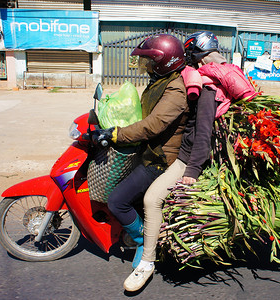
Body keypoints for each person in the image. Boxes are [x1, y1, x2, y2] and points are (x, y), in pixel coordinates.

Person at [123, 31, 256, 292]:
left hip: (188, 158)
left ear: (194, 55)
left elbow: (203, 132)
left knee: (152, 199)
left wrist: (192, 170)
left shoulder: (207, 86)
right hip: (184, 152)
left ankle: (147, 263)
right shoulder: (202, 78)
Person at [94, 34, 189, 288]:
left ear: (163, 62)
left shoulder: (175, 90)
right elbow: (141, 113)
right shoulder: (160, 81)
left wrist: (117, 133)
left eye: (148, 62)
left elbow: (153, 124)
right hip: (146, 151)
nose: (145, 67)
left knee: (117, 200)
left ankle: (141, 242)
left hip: (159, 160)